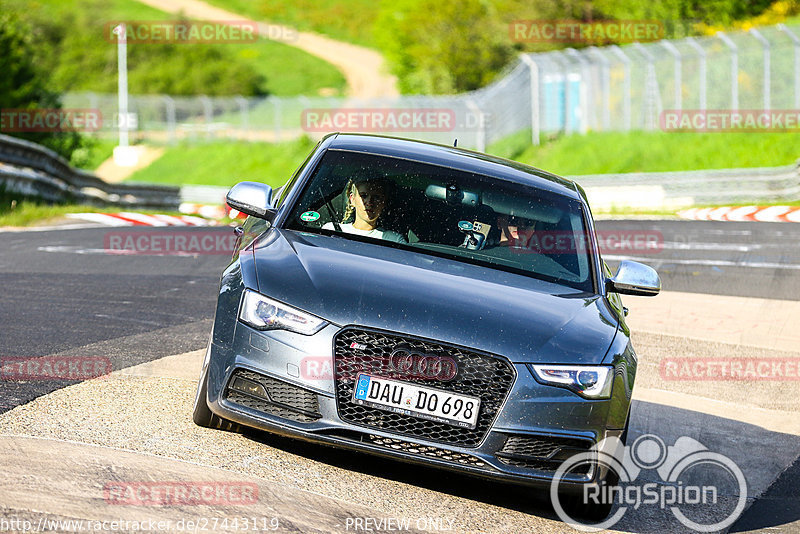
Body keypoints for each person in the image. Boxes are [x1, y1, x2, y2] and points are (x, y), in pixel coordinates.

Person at [323, 178, 407, 243]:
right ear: (352, 199)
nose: (369, 202)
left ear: (383, 203)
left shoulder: (394, 240)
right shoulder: (331, 230)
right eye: (363, 196)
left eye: (376, 197)